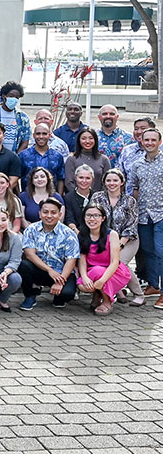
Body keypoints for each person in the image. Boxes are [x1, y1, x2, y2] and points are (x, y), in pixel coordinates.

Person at [89, 169, 143, 305]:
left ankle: (139, 295)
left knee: (119, 263)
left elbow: (132, 225)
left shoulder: (129, 200)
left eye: (115, 180)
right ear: (104, 182)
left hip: (128, 239)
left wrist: (120, 244)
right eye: (108, 180)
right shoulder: (97, 197)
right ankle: (117, 292)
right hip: (104, 239)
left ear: (122, 182)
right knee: (104, 264)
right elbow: (92, 216)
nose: (111, 183)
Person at [19, 198, 80, 311]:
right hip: (40, 269)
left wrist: (60, 281)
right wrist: (49, 270)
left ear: (60, 214)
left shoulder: (69, 234)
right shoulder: (31, 229)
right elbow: (30, 254)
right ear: (40, 213)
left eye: (53, 212)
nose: (49, 216)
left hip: (62, 272)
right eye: (45, 212)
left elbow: (71, 260)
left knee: (67, 294)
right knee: (24, 265)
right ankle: (30, 295)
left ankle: (58, 297)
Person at [75, 203, 128, 316]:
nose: (92, 219)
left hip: (113, 271)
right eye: (88, 215)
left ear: (103, 218)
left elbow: (114, 262)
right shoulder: (82, 235)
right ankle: (98, 293)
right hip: (92, 271)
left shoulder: (112, 234)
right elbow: (82, 261)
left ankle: (107, 301)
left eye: (96, 215)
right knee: (83, 286)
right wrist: (84, 277)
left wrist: (102, 280)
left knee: (98, 271)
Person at [131, 127, 163, 303]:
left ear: (159, 142)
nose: (149, 143)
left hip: (161, 213)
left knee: (161, 251)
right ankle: (153, 284)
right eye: (146, 140)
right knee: (148, 251)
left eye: (153, 140)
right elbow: (134, 188)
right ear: (141, 141)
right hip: (143, 214)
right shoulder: (137, 164)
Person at [20, 123, 66, 189]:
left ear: (49, 135)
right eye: (38, 134)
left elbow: (61, 179)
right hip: (28, 197)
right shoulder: (23, 156)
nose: (41, 136)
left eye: (44, 134)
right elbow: (15, 177)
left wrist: (59, 197)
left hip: (51, 197)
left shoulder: (57, 156)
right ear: (33, 135)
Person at [64, 128, 111, 193]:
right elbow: (69, 183)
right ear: (79, 141)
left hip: (99, 199)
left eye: (91, 138)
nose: (87, 141)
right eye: (83, 138)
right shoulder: (72, 159)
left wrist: (97, 197)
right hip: (76, 199)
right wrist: (80, 195)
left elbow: (107, 182)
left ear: (95, 140)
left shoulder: (104, 159)